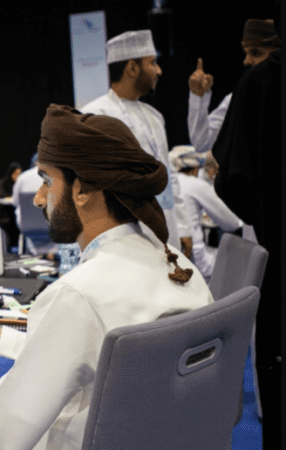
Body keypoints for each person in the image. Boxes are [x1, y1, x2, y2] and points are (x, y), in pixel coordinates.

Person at [0, 105, 212, 450]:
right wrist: (6, 340)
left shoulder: (77, 295)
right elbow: (97, 358)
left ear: (83, 190)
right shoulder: (180, 266)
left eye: (47, 181)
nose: (38, 198)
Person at [212, 15, 281, 445]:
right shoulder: (250, 84)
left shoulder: (259, 84)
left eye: (256, 52)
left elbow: (228, 174)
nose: (247, 61)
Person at [81, 30, 193, 258]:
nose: (158, 70)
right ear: (132, 68)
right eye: (152, 62)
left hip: (167, 223)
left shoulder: (154, 116)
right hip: (126, 234)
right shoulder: (94, 115)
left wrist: (183, 226)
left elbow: (169, 174)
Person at [188, 19, 280, 154]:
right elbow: (203, 144)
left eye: (255, 53)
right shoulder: (239, 98)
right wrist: (198, 97)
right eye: (246, 53)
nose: (246, 61)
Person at [169, 146, 243, 279]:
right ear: (195, 168)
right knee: (238, 264)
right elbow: (230, 223)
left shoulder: (164, 183)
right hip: (195, 257)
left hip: (171, 251)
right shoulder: (195, 184)